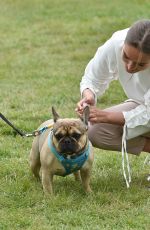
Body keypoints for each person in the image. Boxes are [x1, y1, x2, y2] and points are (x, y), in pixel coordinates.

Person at [76, 19, 150, 187]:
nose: (130, 67)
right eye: (126, 57)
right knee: (95, 131)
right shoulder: (116, 42)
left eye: (141, 64)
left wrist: (107, 115)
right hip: (142, 104)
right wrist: (89, 95)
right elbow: (92, 78)